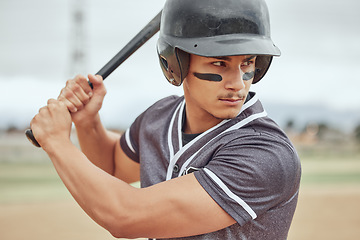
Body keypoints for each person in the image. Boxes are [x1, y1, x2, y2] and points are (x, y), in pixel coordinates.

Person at [30, 0, 301, 239]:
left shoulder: (266, 154)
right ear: (176, 63)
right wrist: (87, 123)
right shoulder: (160, 117)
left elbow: (125, 216)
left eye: (248, 62)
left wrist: (57, 142)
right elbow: (111, 166)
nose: (237, 84)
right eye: (220, 63)